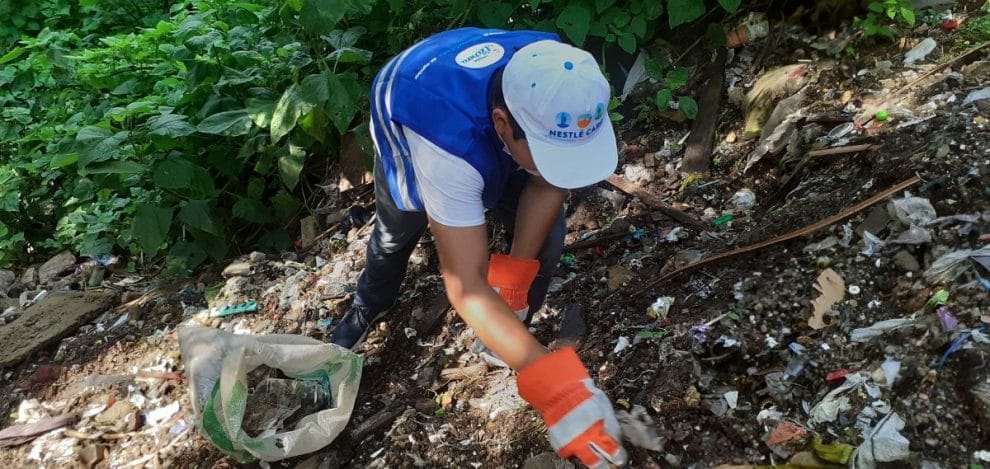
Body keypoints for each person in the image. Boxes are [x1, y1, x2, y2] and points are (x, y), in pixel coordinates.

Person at [330, 27, 626, 467]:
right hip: (415, 105)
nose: (558, 170)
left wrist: (512, 282)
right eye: (548, 155)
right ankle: (369, 304)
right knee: (397, 232)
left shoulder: (562, 81)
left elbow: (550, 181)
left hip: (493, 123)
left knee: (547, 235)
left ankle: (508, 326)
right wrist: (556, 387)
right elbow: (465, 285)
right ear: (504, 125)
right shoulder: (443, 146)